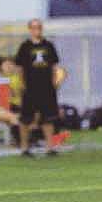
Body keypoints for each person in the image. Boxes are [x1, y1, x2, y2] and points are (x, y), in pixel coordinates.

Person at [14, 18, 66, 157]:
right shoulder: (25, 46)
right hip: (30, 87)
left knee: (48, 118)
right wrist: (22, 84)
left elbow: (55, 66)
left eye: (39, 27)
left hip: (46, 87)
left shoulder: (49, 45)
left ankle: (50, 147)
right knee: (26, 118)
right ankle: (24, 148)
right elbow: (20, 68)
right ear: (30, 29)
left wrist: (55, 82)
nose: (37, 30)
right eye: (34, 27)